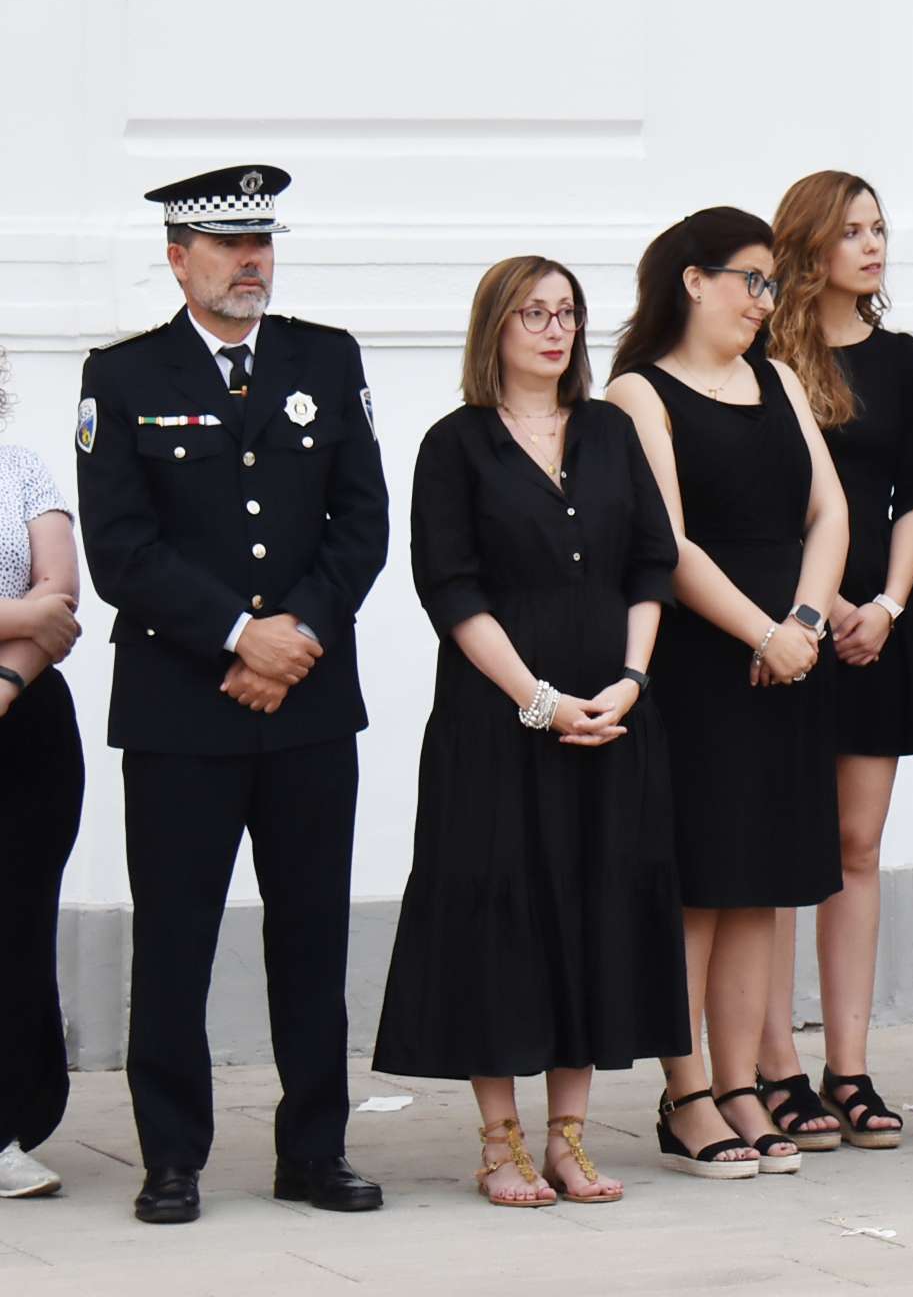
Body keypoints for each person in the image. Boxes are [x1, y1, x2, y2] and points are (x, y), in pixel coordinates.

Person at [71, 166, 391, 1222]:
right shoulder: (122, 375)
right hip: (181, 704)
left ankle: (314, 1149)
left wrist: (292, 633)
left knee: (311, 935)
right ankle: (173, 1155)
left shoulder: (324, 357)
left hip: (305, 698)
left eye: (261, 242)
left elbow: (361, 521)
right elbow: (120, 547)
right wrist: (236, 634)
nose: (250, 260)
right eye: (226, 246)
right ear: (178, 258)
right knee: (175, 937)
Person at [371, 258, 686, 1206]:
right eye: (532, 314)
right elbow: (450, 588)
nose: (554, 330)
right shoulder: (454, 445)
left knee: (592, 907)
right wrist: (539, 700)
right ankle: (499, 1138)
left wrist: (629, 682)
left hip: (614, 715)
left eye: (567, 314)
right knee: (503, 917)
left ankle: (569, 1137)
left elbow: (651, 563)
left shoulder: (610, 430)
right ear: (494, 330)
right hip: (497, 725)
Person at [607, 209, 849, 1180]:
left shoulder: (779, 379)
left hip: (788, 647)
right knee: (699, 886)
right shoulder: (638, 391)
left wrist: (806, 620)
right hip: (705, 661)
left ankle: (745, 1082)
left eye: (769, 283)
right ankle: (687, 1092)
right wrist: (762, 631)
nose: (764, 300)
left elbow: (827, 508)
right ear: (691, 280)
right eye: (748, 279)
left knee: (762, 885)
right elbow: (665, 543)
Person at [751, 173, 913, 1154]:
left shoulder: (903, 358)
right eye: (853, 230)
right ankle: (775, 1060)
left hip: (880, 622)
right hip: (789, 620)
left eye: (880, 229)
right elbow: (755, 501)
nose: (873, 245)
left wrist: (888, 603)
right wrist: (816, 602)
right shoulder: (763, 352)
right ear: (810, 244)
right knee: (788, 844)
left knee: (857, 844)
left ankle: (850, 1065)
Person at [0, 348, 84, 1201]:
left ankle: (8, 1128)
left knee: (16, 925)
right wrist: (17, 611)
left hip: (25, 729)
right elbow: (33, 602)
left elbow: (60, 599)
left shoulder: (20, 468)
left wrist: (4, 679)